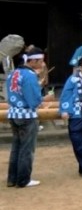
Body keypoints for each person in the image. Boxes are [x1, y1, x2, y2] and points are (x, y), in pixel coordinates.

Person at [6, 46, 54, 188]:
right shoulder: (30, 76)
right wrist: (46, 98)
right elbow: (33, 100)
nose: (42, 64)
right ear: (33, 61)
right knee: (27, 148)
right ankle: (23, 179)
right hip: (26, 115)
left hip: (13, 112)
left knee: (16, 147)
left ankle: (12, 178)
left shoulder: (13, 73)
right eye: (40, 61)